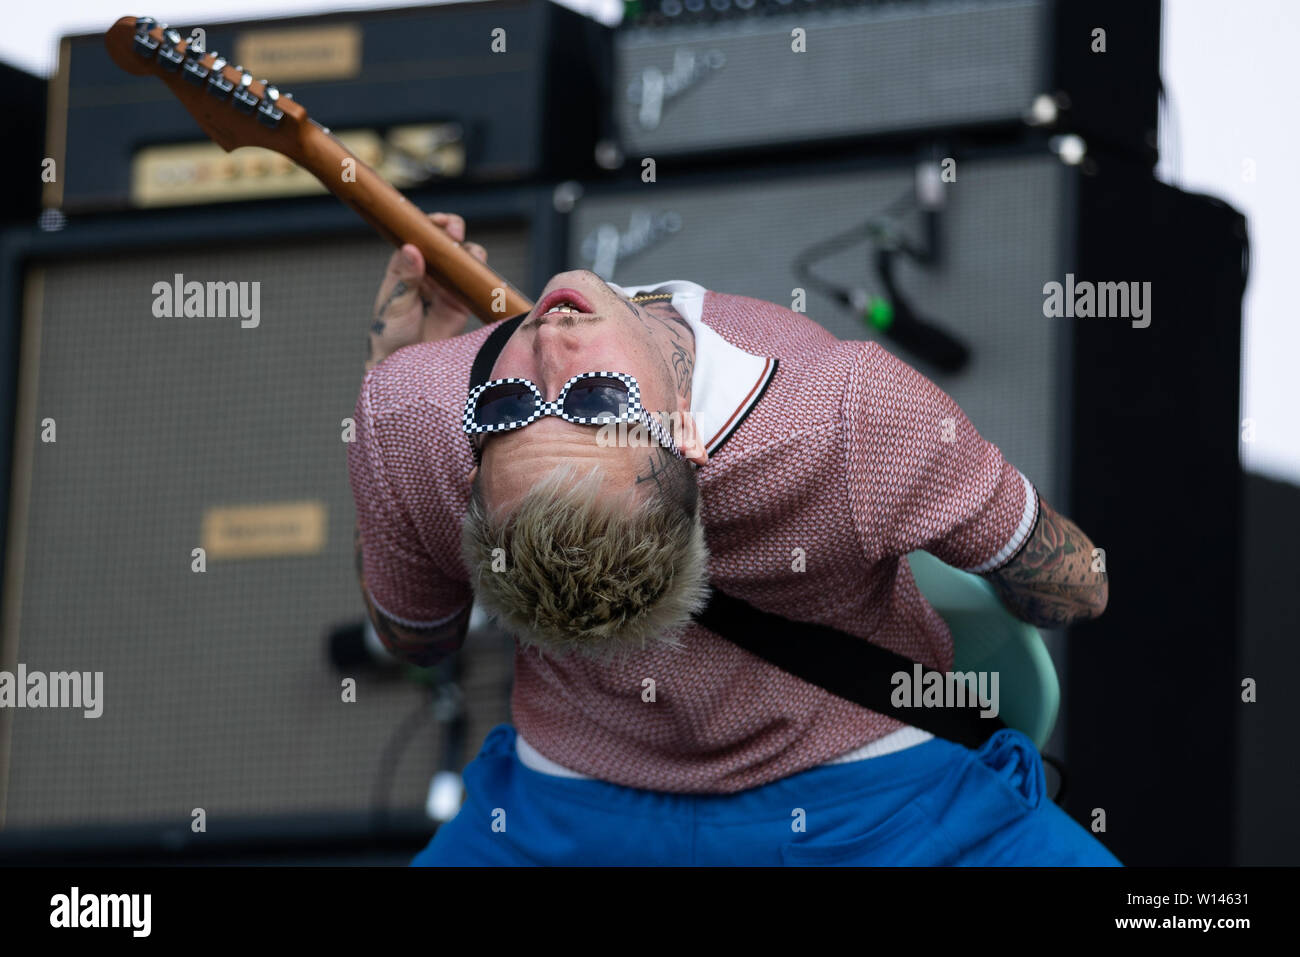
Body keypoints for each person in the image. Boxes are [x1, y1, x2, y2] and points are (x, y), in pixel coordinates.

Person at [349, 212, 1119, 866]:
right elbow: (1078, 588)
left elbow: (418, 639)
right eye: (591, 399)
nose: (551, 345)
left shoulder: (414, 409)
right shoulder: (847, 413)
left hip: (559, 826)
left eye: (514, 403)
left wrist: (398, 366)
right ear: (683, 439)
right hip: (886, 817)